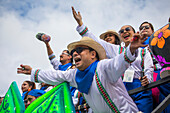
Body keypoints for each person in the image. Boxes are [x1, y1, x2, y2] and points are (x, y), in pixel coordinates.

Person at [17, 31, 148, 113]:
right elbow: (56, 75)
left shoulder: (103, 67)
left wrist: (131, 48)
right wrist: (33, 72)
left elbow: (120, 61)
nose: (75, 53)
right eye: (73, 51)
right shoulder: (75, 75)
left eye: (80, 50)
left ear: (92, 54)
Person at [71, 7, 154, 113]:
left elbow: (149, 68)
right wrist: (81, 23)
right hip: (122, 88)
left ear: (135, 32)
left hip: (140, 86)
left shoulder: (143, 51)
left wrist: (148, 79)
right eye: (121, 31)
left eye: (127, 30)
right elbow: (97, 42)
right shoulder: (116, 50)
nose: (124, 32)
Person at [36, 34, 77, 105]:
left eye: (63, 53)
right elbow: (52, 58)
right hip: (58, 99)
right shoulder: (59, 67)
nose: (60, 55)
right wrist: (47, 44)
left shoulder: (74, 68)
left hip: (70, 99)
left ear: (70, 57)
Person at [139, 21, 162, 109]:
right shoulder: (136, 46)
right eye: (141, 28)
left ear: (152, 31)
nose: (144, 29)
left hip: (158, 73)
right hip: (144, 77)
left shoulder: (159, 41)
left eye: (147, 27)